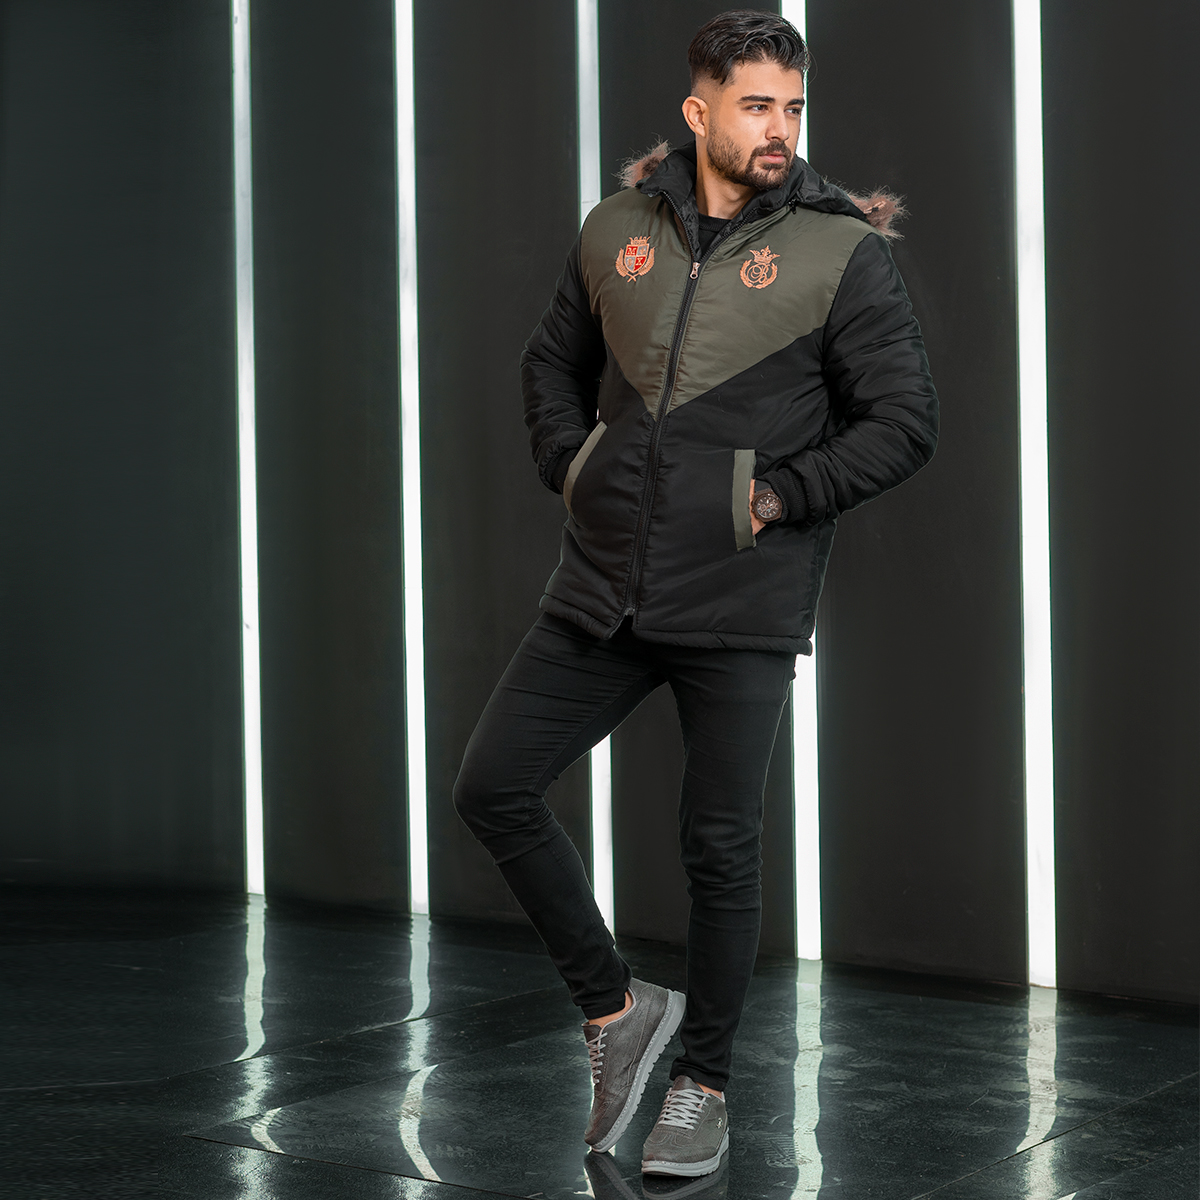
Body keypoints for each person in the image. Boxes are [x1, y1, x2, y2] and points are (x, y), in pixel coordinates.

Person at [453, 9, 938, 1178]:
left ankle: (703, 1087)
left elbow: (904, 422)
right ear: (699, 110)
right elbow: (549, 363)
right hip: (603, 586)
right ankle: (617, 1013)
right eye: (756, 105)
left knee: (718, 848)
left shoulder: (841, 253)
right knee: (493, 785)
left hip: (740, 593)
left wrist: (773, 497)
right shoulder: (617, 228)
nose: (779, 129)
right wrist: (577, 467)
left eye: (793, 107)